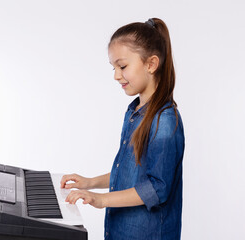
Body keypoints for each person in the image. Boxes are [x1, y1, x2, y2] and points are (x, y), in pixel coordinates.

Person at [60, 17, 185, 240]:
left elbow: (156, 189)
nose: (116, 75)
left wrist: (101, 199)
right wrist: (91, 183)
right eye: (114, 67)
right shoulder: (135, 113)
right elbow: (131, 174)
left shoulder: (164, 121)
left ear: (151, 64)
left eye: (123, 66)